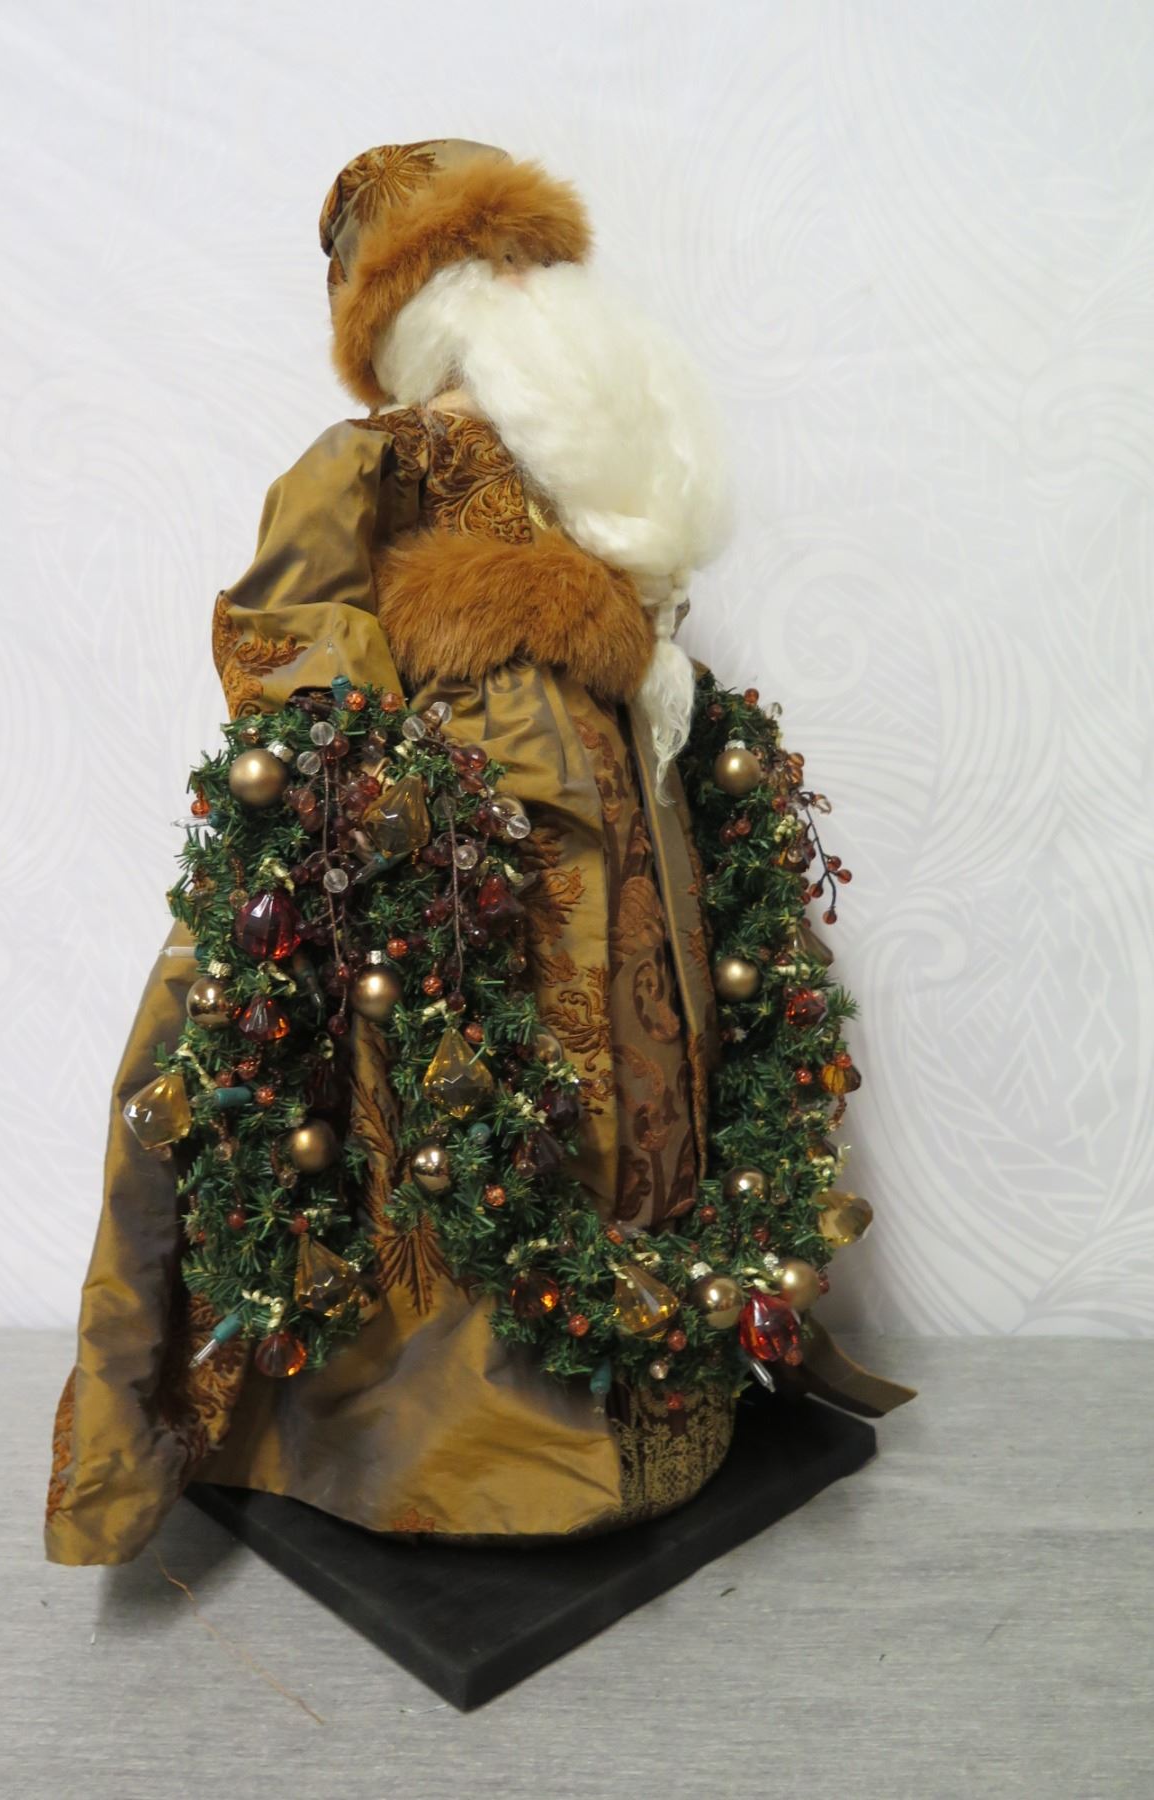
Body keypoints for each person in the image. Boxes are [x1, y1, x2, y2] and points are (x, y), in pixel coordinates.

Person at [45, 140, 909, 1566]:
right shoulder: (369, 465)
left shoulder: (591, 487)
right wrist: (397, 794)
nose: (531, 288)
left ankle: (671, 1381)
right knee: (477, 1150)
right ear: (425, 303)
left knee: (648, 1104)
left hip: (633, 872)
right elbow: (280, 640)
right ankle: (492, 1455)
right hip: (456, 898)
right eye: (493, 261)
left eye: (539, 260)